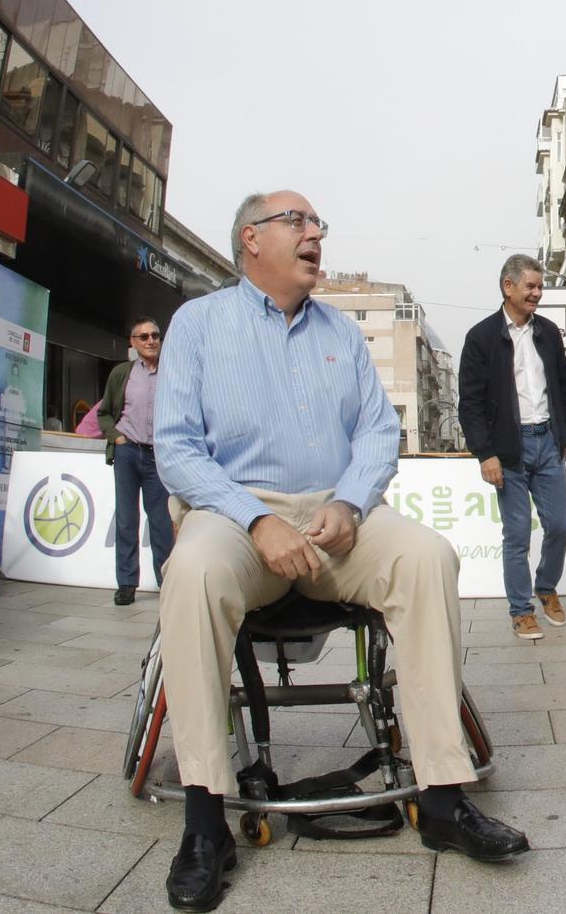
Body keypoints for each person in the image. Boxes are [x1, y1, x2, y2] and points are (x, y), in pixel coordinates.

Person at [157, 192, 528, 908]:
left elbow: (377, 434)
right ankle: (205, 815)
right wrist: (252, 518)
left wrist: (350, 502)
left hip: (335, 515)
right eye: (297, 221)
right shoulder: (198, 323)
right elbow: (175, 447)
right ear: (251, 239)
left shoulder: (341, 332)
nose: (315, 233)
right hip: (236, 515)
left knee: (426, 556)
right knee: (195, 569)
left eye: (318, 224)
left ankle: (444, 796)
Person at [459, 253, 566, 643]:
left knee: (559, 525)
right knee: (516, 534)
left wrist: (565, 434)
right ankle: (521, 610)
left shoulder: (548, 332)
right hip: (507, 451)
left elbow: (564, 388)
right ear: (507, 287)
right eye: (530, 286)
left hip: (548, 442)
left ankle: (546, 586)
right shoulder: (480, 337)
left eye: (540, 287)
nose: (537, 294)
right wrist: (485, 454)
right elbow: (470, 403)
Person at [96, 317, 173, 606]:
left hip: (158, 455)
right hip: (127, 452)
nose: (151, 340)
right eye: (143, 337)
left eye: (155, 335)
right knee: (127, 521)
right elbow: (103, 413)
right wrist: (116, 437)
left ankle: (167, 582)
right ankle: (126, 584)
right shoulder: (122, 374)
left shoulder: (172, 372)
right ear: (133, 342)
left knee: (162, 522)